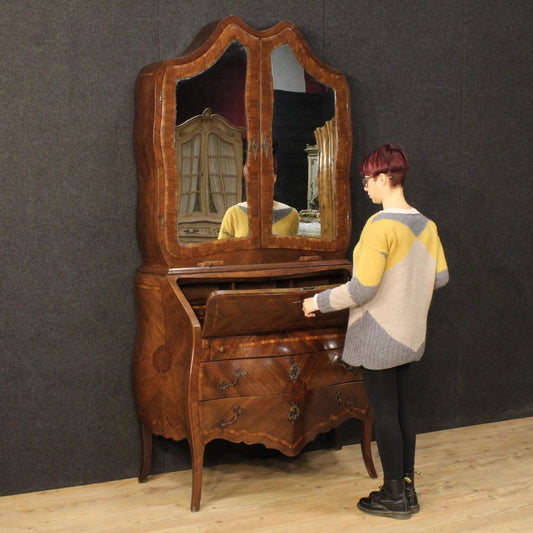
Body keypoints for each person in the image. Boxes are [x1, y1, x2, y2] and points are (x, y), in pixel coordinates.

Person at [302, 144, 449, 520]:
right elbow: (441, 277)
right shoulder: (427, 225)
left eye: (367, 179)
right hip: (411, 334)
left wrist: (316, 302)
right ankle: (408, 491)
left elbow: (361, 289)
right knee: (402, 412)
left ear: (385, 178)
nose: (365, 186)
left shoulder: (379, 225)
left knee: (384, 414)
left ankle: (393, 495)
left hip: (381, 335)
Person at [218, 165, 299, 239]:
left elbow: (292, 251)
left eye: (265, 174)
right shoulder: (233, 213)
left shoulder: (291, 214)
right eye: (253, 176)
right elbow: (222, 251)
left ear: (274, 177)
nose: (260, 181)